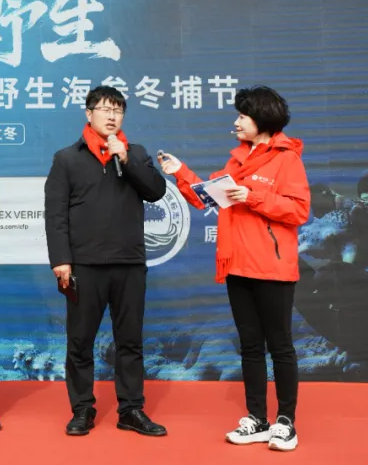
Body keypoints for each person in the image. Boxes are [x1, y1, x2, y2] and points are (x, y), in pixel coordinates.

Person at [157, 85, 309, 452]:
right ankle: (257, 418)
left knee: (280, 346)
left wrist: (253, 197)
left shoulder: (287, 159)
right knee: (250, 346)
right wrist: (180, 172)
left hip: (272, 268)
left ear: (262, 119)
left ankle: (285, 422)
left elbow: (299, 210)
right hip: (238, 266)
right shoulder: (237, 161)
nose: (237, 122)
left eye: (243, 116)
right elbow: (206, 197)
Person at [44, 85, 169, 437]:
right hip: (84, 265)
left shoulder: (135, 153)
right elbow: (56, 214)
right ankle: (82, 409)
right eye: (104, 109)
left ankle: (131, 409)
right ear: (89, 114)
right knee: (80, 341)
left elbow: (156, 191)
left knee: (129, 341)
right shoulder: (67, 158)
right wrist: (61, 260)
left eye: (118, 110)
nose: (112, 116)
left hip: (129, 263)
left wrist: (126, 159)